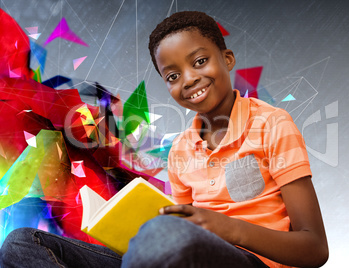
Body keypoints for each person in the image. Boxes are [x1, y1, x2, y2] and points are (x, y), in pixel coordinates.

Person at [0, 10, 328, 268]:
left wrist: (228, 229)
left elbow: (314, 249)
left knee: (164, 234)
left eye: (200, 61)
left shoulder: (272, 124)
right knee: (23, 243)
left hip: (251, 261)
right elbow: (178, 229)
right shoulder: (181, 151)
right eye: (172, 76)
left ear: (227, 59)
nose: (189, 79)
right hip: (180, 255)